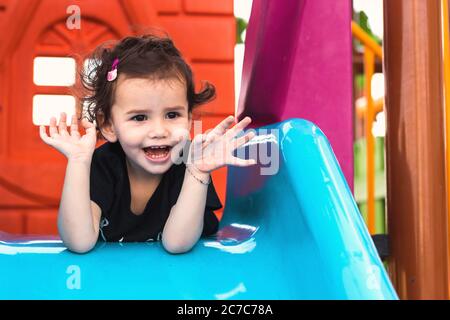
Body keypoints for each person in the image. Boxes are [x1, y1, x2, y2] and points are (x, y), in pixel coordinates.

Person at [39, 34, 256, 254]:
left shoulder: (193, 162)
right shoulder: (104, 165)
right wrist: (77, 162)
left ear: (189, 118)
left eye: (172, 115)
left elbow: (177, 244)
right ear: (109, 126)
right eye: (140, 118)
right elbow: (79, 241)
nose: (159, 131)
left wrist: (198, 172)